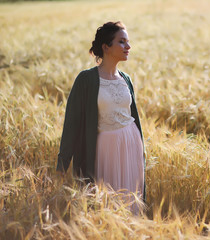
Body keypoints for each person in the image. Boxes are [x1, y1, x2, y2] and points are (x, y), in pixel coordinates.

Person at [56, 21, 145, 214]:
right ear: (106, 47)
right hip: (105, 150)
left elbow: (133, 115)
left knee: (131, 202)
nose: (128, 47)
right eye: (122, 42)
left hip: (131, 145)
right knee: (105, 206)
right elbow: (72, 124)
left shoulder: (126, 78)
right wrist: (62, 163)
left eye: (128, 41)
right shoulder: (86, 80)